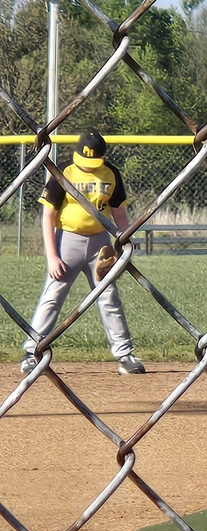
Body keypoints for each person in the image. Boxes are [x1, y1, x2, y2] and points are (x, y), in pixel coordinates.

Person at [21, 130, 146, 376]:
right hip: (67, 240)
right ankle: (32, 352)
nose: (89, 167)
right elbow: (48, 214)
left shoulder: (110, 173)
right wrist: (52, 256)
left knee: (109, 297)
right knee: (53, 295)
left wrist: (125, 241)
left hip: (100, 242)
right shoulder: (64, 172)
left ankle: (124, 354)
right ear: (77, 154)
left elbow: (118, 212)